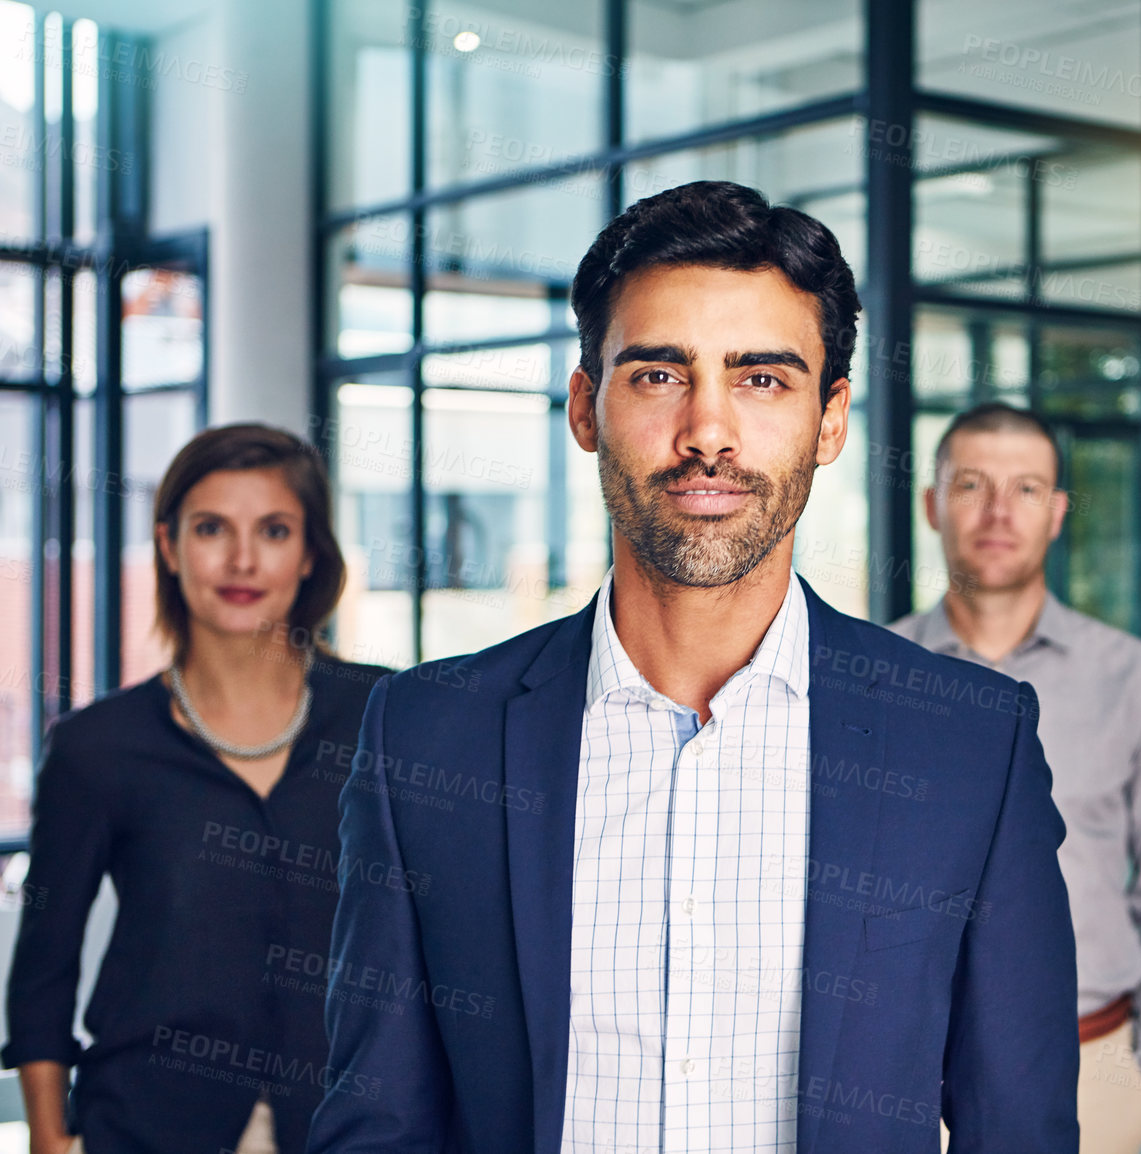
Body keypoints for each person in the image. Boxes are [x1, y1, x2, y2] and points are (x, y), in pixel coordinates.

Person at [306, 181, 1079, 1154]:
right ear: (586, 405)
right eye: (659, 374)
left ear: (830, 419)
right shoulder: (425, 732)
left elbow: (1018, 1126)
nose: (707, 431)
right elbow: (378, 1124)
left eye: (762, 378)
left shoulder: (972, 741)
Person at [3, 424, 391, 1154]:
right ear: (169, 545)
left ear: (309, 553)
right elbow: (43, 973)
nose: (242, 559)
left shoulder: (387, 720)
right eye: (212, 528)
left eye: (273, 530)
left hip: (350, 1124)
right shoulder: (97, 748)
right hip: (146, 1123)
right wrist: (52, 1142)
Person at [890, 403, 1141, 1153]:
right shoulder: (872, 674)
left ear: (1058, 512)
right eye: (972, 484)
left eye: (1027, 489)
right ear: (932, 504)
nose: (1000, 512)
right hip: (908, 1067)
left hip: (1095, 1064)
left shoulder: (1139, 682)